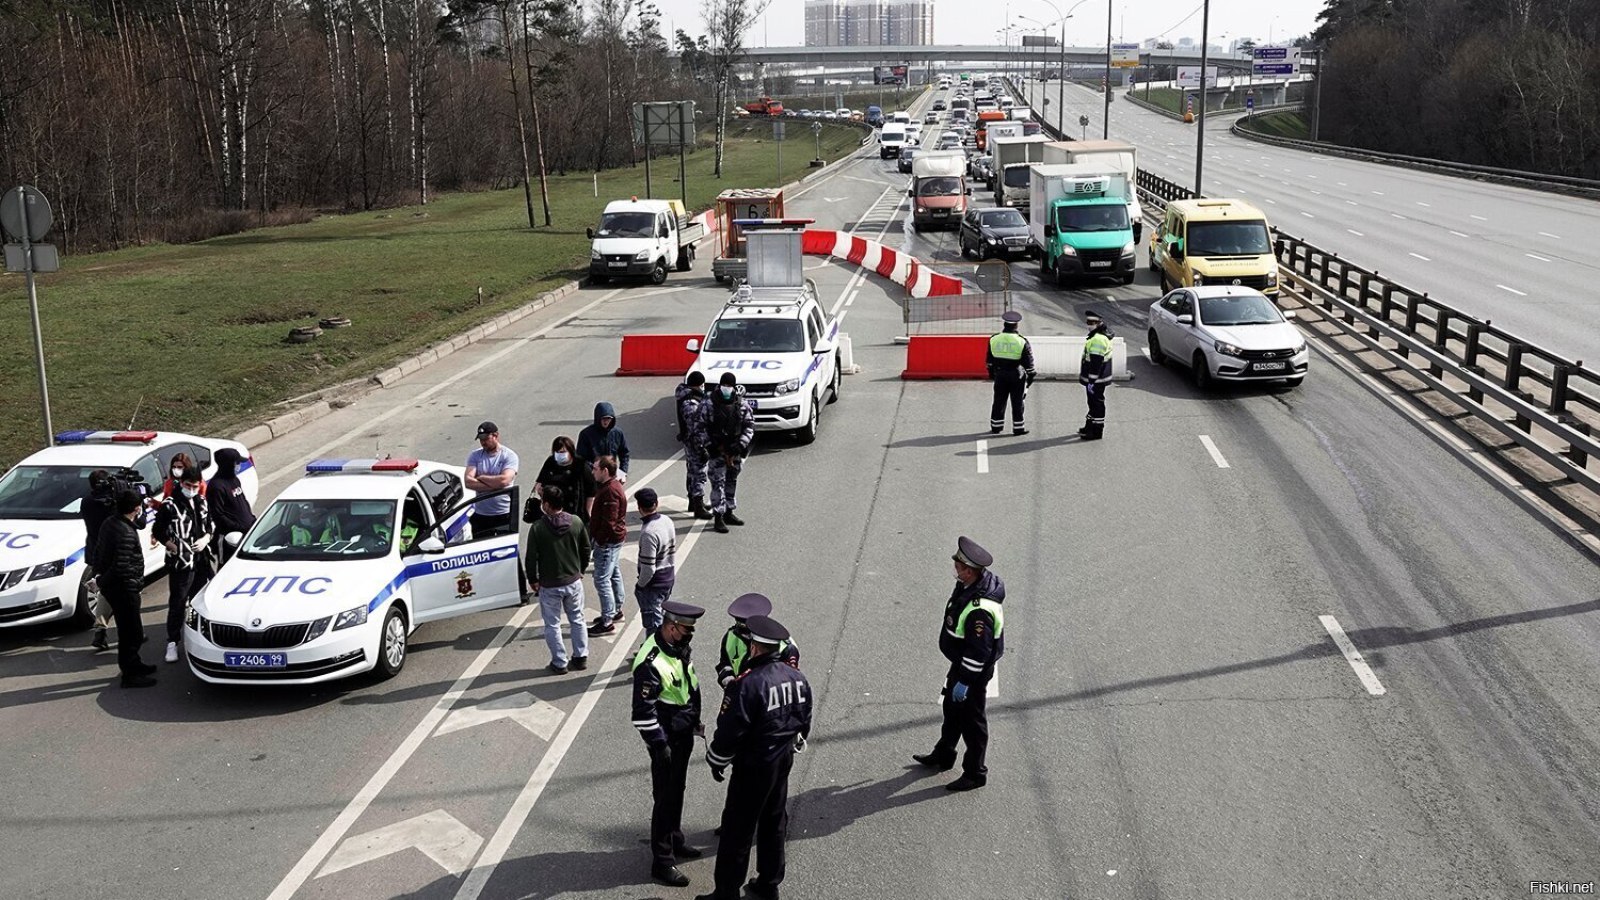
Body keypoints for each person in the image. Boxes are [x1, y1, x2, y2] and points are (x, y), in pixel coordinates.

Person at [699, 615, 813, 900]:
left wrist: (717, 759)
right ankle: (768, 883)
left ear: (754, 648)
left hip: (753, 766)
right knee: (774, 822)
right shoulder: (797, 677)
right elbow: (804, 719)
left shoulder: (747, 684)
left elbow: (730, 732)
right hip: (782, 760)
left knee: (737, 830)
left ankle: (726, 892)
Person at [914, 536, 1006, 792]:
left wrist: (965, 681)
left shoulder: (980, 609)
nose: (955, 569)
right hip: (962, 664)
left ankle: (975, 772)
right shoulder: (970, 585)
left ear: (970, 571)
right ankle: (944, 754)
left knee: (973, 723)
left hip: (972, 671)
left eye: (958, 566)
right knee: (952, 711)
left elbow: (980, 651)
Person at [631, 600, 707, 889]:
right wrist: (660, 747)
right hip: (667, 739)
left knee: (677, 791)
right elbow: (642, 715)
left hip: (683, 732)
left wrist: (694, 721)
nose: (690, 635)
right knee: (664, 799)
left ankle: (675, 839)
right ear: (670, 627)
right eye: (686, 630)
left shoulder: (676, 648)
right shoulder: (650, 663)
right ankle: (662, 862)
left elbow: (687, 685)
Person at [525, 485, 591, 675]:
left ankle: (559, 662)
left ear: (546, 504)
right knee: (577, 619)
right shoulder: (576, 522)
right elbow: (586, 549)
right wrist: (581, 569)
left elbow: (531, 558)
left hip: (549, 585)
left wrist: (533, 580)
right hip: (573, 581)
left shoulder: (538, 528)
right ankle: (580, 657)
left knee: (552, 624)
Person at [95, 490, 157, 687]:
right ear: (137, 508)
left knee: (131, 630)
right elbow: (121, 566)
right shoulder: (126, 533)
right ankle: (130, 674)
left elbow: (99, 552)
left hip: (117, 587)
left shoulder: (110, 523)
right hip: (124, 589)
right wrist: (104, 581)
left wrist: (100, 577)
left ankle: (135, 664)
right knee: (131, 633)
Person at [152, 468, 214, 664]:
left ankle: (197, 637)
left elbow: (210, 525)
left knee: (199, 601)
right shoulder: (169, 505)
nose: (192, 490)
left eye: (195, 487)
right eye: (189, 486)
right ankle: (172, 641)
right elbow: (158, 530)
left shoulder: (201, 502)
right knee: (178, 601)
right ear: (182, 483)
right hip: (181, 561)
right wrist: (173, 545)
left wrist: (206, 538)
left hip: (201, 559)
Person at [700, 372, 755, 534]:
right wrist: (709, 445)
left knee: (732, 481)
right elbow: (700, 427)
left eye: (729, 386)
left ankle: (729, 512)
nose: (726, 388)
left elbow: (749, 426)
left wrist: (740, 445)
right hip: (717, 451)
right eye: (724, 385)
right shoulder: (708, 404)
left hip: (734, 451)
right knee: (718, 484)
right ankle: (718, 516)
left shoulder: (742, 405)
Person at [715, 593, 800, 690]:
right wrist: (730, 683)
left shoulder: (786, 648)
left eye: (747, 631)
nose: (744, 635)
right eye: (740, 628)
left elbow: (791, 683)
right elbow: (724, 663)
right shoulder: (732, 636)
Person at [586, 455, 628, 636]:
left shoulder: (610, 491)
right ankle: (616, 610)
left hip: (608, 542)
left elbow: (609, 522)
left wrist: (599, 540)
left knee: (602, 579)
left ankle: (607, 620)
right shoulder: (611, 486)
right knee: (614, 574)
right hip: (613, 541)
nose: (592, 471)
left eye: (595, 469)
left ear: (605, 471)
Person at [81, 469, 119, 651]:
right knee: (125, 594)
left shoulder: (86, 501)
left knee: (106, 592)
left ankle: (100, 630)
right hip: (112, 554)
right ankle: (129, 629)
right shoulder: (110, 504)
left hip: (95, 553)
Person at [986, 310, 1036, 436]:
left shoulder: (994, 339)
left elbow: (989, 361)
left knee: (998, 400)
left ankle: (996, 426)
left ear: (1004, 324)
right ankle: (1018, 428)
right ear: (1016, 325)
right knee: (1017, 402)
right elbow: (1029, 366)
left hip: (1000, 374)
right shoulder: (1021, 341)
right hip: (1016, 375)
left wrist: (993, 375)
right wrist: (1029, 379)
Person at [465, 421, 519, 536]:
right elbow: (468, 481)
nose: (483, 442)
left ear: (496, 436)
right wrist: (495, 485)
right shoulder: (475, 455)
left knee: (506, 549)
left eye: (485, 438)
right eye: (480, 439)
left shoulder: (509, 456)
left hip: (503, 513)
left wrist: (481, 477)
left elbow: (505, 480)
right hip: (481, 514)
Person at [634, 488, 676, 635]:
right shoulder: (667, 521)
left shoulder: (648, 533)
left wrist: (640, 586)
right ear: (656, 503)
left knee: (653, 625)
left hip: (653, 585)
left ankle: (653, 653)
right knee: (662, 619)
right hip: (668, 578)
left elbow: (648, 568)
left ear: (639, 507)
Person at [676, 372, 713, 520]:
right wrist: (702, 447)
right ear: (699, 384)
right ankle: (698, 506)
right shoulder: (691, 402)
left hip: (689, 441)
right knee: (698, 473)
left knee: (692, 470)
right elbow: (695, 428)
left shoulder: (684, 394)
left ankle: (694, 501)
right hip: (695, 443)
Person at [208, 447, 254, 564]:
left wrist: (252, 521)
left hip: (247, 533)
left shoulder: (234, 480)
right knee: (227, 568)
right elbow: (218, 516)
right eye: (237, 463)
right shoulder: (216, 486)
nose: (239, 466)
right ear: (228, 464)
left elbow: (243, 502)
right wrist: (239, 527)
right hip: (230, 540)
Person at [534, 436, 595, 523]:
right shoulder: (550, 462)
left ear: (570, 451)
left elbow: (592, 491)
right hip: (553, 511)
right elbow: (540, 482)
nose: (559, 455)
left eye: (563, 452)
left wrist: (588, 512)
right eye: (557, 452)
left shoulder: (581, 464)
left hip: (575, 512)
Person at [1078, 310, 1113, 441]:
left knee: (1097, 404)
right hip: (1096, 379)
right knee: (1092, 403)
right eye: (1088, 322)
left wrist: (1091, 381)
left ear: (1099, 323)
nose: (1089, 325)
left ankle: (1096, 431)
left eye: (1092, 323)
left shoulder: (1098, 339)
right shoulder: (1097, 336)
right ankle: (1089, 426)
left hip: (1096, 380)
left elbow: (1096, 362)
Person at [577, 401, 631, 483]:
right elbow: (581, 458)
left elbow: (624, 454)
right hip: (593, 478)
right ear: (598, 418)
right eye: (603, 419)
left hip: (611, 477)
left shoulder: (617, 433)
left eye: (608, 419)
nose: (606, 422)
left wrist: (623, 472)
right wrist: (596, 470)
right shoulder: (586, 434)